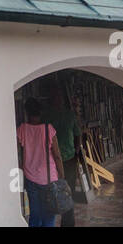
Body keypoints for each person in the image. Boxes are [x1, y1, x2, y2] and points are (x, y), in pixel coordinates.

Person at [17, 97, 65, 227]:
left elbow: (18, 152)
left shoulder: (22, 129)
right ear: (41, 112)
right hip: (49, 178)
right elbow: (57, 156)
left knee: (35, 213)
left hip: (30, 178)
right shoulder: (48, 129)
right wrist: (61, 175)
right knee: (49, 214)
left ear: (27, 112)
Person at [45, 83, 83, 226]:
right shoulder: (47, 115)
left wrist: (77, 149)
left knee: (69, 190)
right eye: (55, 97)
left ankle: (68, 222)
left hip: (69, 158)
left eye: (59, 97)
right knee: (53, 191)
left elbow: (78, 133)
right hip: (52, 160)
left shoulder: (70, 115)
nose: (58, 99)